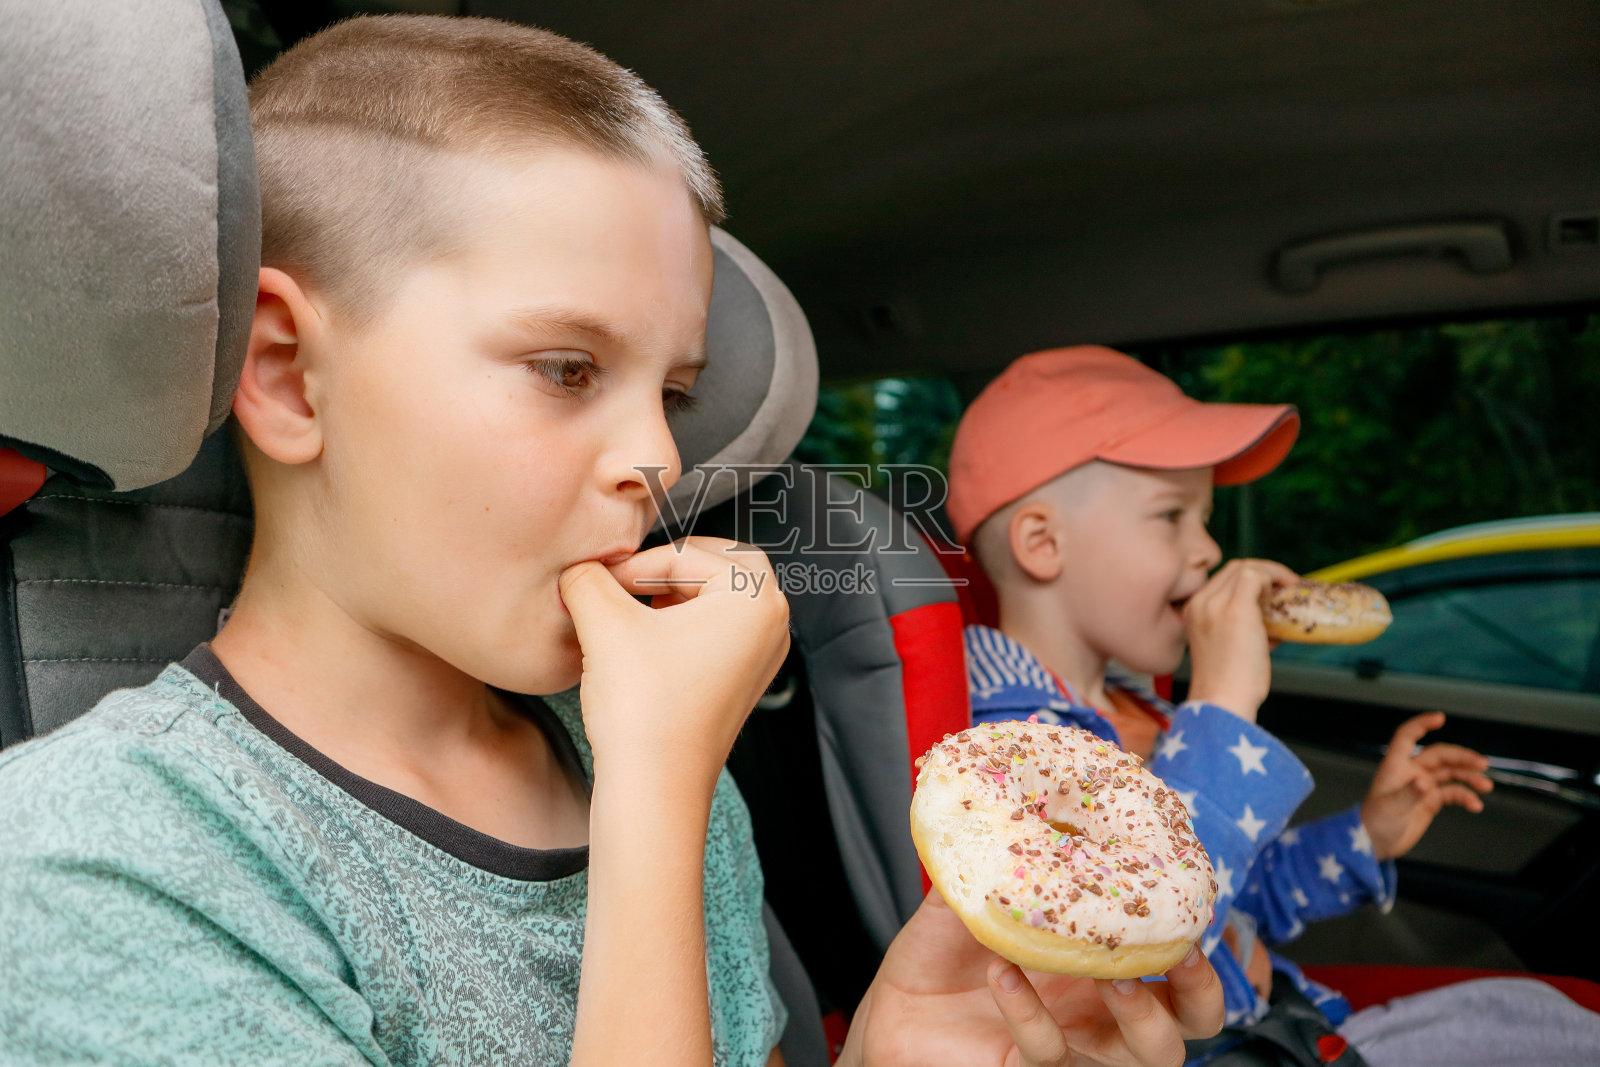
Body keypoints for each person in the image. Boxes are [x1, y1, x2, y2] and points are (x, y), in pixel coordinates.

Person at [0, 19, 1223, 1066]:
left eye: (672, 392)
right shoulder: (94, 861)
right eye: (566, 367)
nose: (659, 460)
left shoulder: (629, 741)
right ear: (291, 376)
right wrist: (656, 791)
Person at [946, 344, 1600, 1065]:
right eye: (1171, 516)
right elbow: (1137, 939)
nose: (1209, 550)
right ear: (1042, 542)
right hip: (1206, 1051)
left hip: (1284, 1022)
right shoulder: (1006, 749)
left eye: (1207, 517)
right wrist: (1224, 702)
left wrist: (1366, 836)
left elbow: (1242, 897)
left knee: (1527, 1013)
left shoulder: (1149, 715)